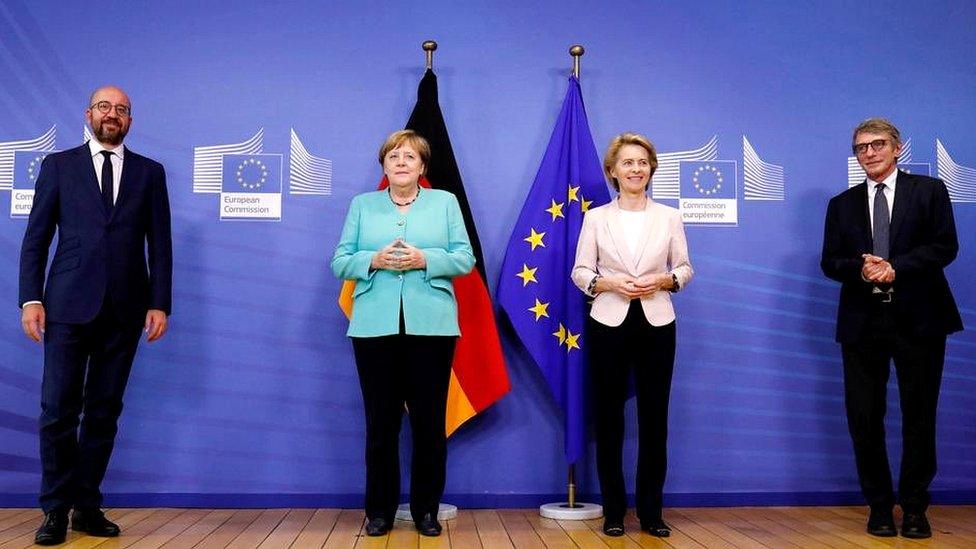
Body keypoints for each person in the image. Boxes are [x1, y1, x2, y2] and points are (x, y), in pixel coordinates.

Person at [19, 85, 172, 545]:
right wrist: (31, 299)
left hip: (126, 310)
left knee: (103, 413)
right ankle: (54, 509)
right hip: (66, 307)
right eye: (105, 107)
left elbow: (160, 244)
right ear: (88, 114)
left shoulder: (150, 172)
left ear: (130, 120)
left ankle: (86, 506)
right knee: (57, 411)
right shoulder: (59, 166)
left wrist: (159, 302)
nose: (113, 115)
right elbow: (36, 237)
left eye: (122, 110)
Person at [821, 118, 962, 539]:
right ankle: (880, 506)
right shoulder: (841, 204)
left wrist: (895, 268)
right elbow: (830, 262)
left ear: (897, 148)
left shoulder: (930, 191)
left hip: (920, 321)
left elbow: (944, 247)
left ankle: (916, 508)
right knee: (864, 418)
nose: (869, 152)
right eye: (861, 147)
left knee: (920, 417)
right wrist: (863, 271)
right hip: (863, 324)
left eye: (878, 144)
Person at [331, 129, 474, 537]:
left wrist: (423, 258)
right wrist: (370, 259)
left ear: (422, 166)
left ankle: (426, 511)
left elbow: (465, 258)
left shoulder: (445, 203)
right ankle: (379, 512)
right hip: (374, 328)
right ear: (384, 165)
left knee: (429, 424)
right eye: (393, 155)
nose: (400, 161)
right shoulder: (363, 205)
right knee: (381, 425)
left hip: (432, 327)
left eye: (409, 156)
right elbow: (340, 261)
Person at [571, 133, 693, 537]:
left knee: (655, 420)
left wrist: (667, 280)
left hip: (657, 323)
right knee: (609, 420)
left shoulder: (669, 216)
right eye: (627, 163)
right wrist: (608, 285)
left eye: (642, 162)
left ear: (652, 169)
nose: (636, 169)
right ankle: (613, 511)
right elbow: (581, 271)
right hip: (608, 322)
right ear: (613, 171)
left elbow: (685, 268)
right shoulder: (596, 217)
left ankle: (652, 512)